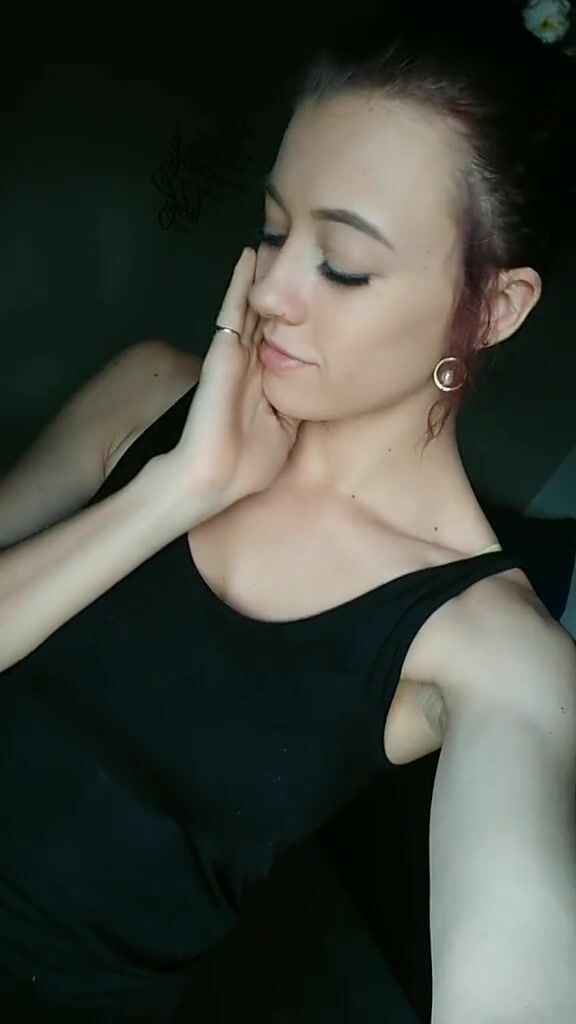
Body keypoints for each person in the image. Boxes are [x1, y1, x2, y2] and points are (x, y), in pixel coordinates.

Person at [1, 2, 575, 1020]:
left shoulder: (494, 650)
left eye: (342, 263)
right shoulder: (147, 392)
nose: (270, 291)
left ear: (494, 308)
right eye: (273, 231)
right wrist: (174, 492)